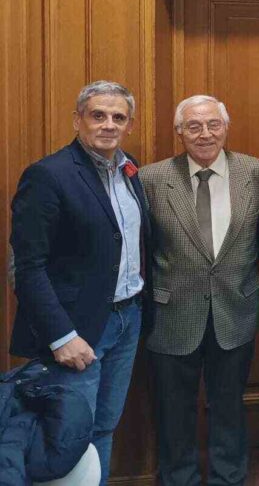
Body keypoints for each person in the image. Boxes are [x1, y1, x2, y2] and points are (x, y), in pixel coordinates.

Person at [10, 80, 152, 484]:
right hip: (77, 329)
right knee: (70, 435)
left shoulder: (129, 168)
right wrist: (61, 337)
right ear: (78, 120)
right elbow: (27, 267)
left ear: (129, 124)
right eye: (98, 115)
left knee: (104, 426)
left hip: (126, 319)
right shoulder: (48, 175)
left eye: (118, 117)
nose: (109, 124)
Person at [140, 95, 259, 486]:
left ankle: (228, 478)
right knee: (173, 410)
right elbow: (142, 246)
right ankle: (179, 478)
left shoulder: (258, 173)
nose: (205, 134)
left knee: (229, 405)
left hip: (235, 309)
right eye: (193, 126)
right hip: (172, 312)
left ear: (226, 128)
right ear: (179, 132)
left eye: (214, 124)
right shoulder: (150, 179)